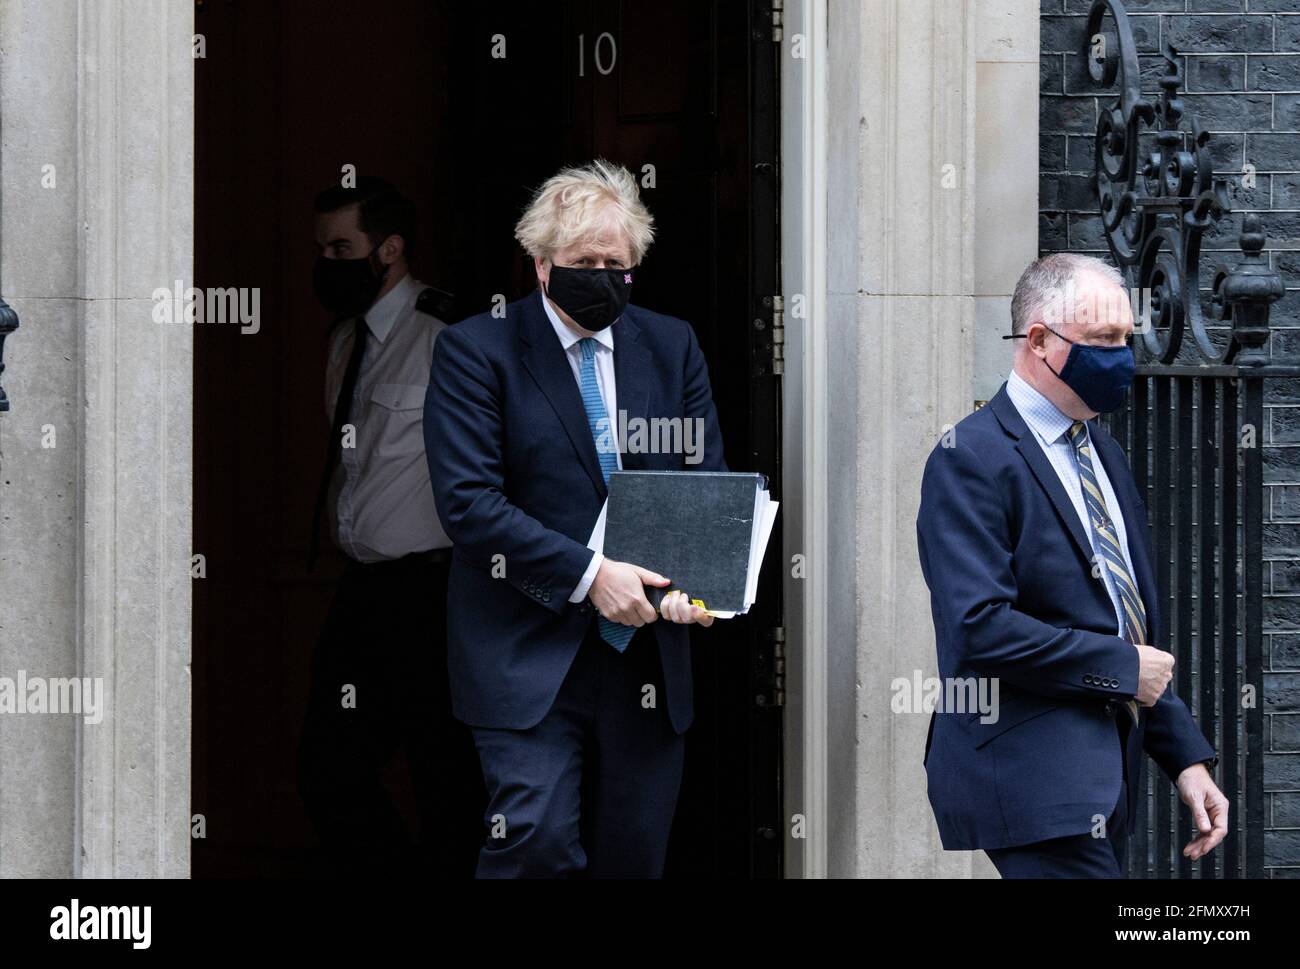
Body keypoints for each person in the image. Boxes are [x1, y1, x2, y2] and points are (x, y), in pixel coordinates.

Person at [423, 159, 726, 877]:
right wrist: (589, 575)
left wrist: (699, 581)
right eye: (583, 262)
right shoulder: (477, 351)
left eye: (614, 263)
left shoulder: (670, 343)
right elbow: (469, 504)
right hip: (525, 650)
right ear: (540, 266)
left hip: (646, 653)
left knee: (634, 855)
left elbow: (701, 479)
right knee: (533, 838)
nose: (601, 274)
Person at [916, 253, 1229, 878]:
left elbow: (1122, 624)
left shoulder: (1100, 449)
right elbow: (978, 625)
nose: (1121, 357)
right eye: (1102, 340)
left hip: (1103, 778)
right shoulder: (970, 457)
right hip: (1030, 777)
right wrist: (1120, 669)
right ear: (1039, 341)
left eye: (1125, 339)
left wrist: (1185, 757)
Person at [296, 175, 484, 876]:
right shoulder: (343, 338)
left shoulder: (448, 335)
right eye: (320, 247)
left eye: (342, 246)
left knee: (446, 776)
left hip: (433, 593)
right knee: (328, 766)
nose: (327, 262)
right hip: (363, 591)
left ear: (391, 248)